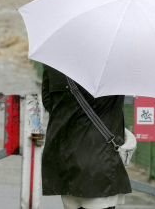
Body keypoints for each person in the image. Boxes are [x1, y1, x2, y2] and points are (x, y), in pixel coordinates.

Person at [41, 64, 132, 209]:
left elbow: (48, 102)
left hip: (64, 160)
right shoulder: (113, 64)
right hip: (100, 159)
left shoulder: (55, 61)